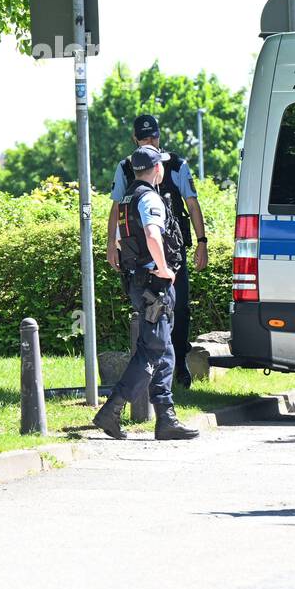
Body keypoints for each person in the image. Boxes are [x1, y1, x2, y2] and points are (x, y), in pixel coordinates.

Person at [93, 146, 199, 441]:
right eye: (161, 165)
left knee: (163, 348)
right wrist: (164, 269)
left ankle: (166, 419)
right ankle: (111, 411)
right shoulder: (149, 197)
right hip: (155, 284)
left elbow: (119, 240)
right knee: (152, 349)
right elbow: (153, 235)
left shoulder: (127, 199)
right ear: (156, 169)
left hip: (139, 282)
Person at [106, 114, 207, 388]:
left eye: (154, 137)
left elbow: (192, 203)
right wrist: (111, 244)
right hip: (139, 253)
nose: (151, 142)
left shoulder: (175, 164)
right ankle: (154, 378)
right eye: (145, 138)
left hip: (173, 253)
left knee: (180, 308)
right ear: (135, 140)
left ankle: (178, 365)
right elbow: (116, 208)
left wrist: (202, 242)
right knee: (148, 310)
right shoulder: (126, 168)